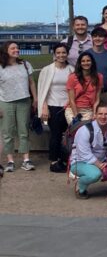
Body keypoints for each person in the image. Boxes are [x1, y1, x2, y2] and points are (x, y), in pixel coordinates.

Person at [0, 42, 37, 172]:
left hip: (24, 101)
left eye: (17, 48)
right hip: (6, 102)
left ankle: (26, 160)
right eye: (13, 48)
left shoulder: (25, 65)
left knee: (24, 132)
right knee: (7, 133)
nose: (17, 50)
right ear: (6, 50)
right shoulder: (0, 67)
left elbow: (31, 83)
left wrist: (35, 98)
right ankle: (10, 161)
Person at [69, 104, 107, 199]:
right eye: (100, 114)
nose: (103, 117)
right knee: (95, 174)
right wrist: (101, 166)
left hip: (103, 160)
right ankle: (80, 187)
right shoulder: (84, 130)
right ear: (95, 115)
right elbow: (85, 154)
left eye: (106, 114)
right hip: (80, 162)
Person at [37, 44, 72, 171]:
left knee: (68, 135)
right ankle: (53, 161)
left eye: (64, 52)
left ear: (67, 54)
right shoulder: (47, 70)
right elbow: (42, 90)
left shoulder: (71, 70)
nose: (61, 55)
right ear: (54, 54)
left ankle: (64, 159)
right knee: (55, 134)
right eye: (58, 52)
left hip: (68, 107)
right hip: (53, 106)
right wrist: (44, 107)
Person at [66, 52, 102, 124]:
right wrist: (76, 117)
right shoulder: (72, 77)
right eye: (83, 61)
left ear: (92, 62)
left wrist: (94, 113)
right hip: (73, 110)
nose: (86, 63)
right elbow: (71, 100)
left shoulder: (99, 77)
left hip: (89, 110)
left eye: (88, 60)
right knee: (78, 131)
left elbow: (97, 99)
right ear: (80, 63)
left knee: (88, 133)